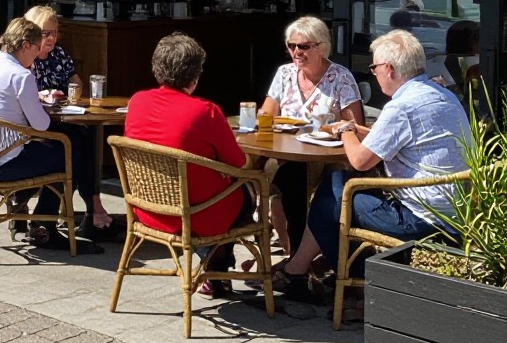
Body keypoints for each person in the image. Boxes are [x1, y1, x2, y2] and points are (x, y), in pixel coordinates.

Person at [272, 29, 471, 309]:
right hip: (455, 212)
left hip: (420, 219)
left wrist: (345, 130)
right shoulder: (441, 95)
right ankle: (308, 270)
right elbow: (393, 138)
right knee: (339, 187)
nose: (374, 74)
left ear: (388, 69)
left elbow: (359, 160)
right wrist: (357, 130)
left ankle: (353, 280)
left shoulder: (402, 106)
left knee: (332, 193)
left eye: (374, 67)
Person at [125, 32, 255, 297]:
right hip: (196, 215)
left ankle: (216, 272)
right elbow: (238, 163)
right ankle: (216, 268)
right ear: (195, 75)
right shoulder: (205, 111)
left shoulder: (137, 102)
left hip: (149, 211)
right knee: (246, 191)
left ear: (155, 68)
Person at [0, 17, 101, 253]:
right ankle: (45, 227)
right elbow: (40, 125)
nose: (38, 54)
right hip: (1, 163)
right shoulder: (21, 75)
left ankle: (22, 206)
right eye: (37, 48)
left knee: (60, 147)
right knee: (70, 152)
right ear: (26, 46)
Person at [259, 16, 363, 254]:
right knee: (263, 176)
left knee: (290, 182)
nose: (296, 52)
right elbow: (267, 115)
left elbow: (354, 126)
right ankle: (290, 254)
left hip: (326, 155)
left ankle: (297, 259)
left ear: (322, 48)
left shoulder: (341, 77)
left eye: (303, 46)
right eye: (291, 46)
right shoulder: (284, 73)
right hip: (287, 151)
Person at [24, 4, 113, 235]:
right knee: (76, 143)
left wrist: (72, 94)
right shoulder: (26, 58)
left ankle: (85, 208)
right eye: (45, 33)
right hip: (34, 123)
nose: (51, 38)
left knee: (84, 136)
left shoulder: (59, 54)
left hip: (60, 116)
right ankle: (90, 206)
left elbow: (76, 82)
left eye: (54, 32)